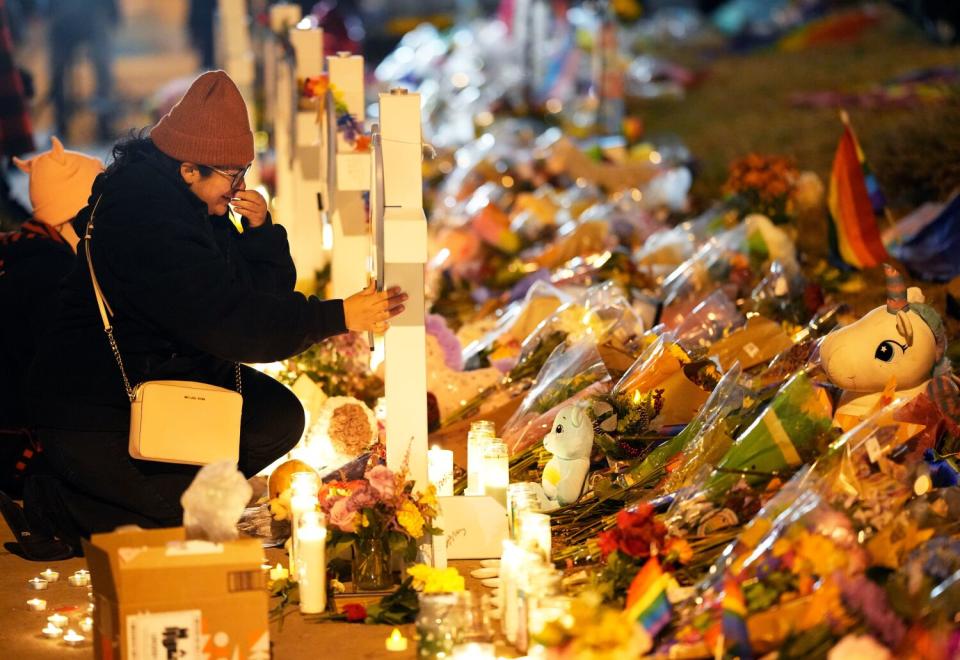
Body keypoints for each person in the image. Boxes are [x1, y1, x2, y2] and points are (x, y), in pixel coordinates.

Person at [2, 70, 406, 561]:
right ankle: (58, 504)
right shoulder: (145, 219)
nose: (239, 186)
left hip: (166, 379)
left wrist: (258, 234)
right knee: (186, 521)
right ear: (189, 169)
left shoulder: (190, 205)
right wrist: (338, 316)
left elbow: (259, 295)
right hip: (95, 405)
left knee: (275, 418)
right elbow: (233, 323)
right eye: (231, 174)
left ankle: (159, 490)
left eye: (243, 172)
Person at [0, 137, 103, 499]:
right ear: (76, 214)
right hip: (23, 454)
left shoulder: (26, 253)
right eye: (99, 208)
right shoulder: (51, 275)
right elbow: (61, 382)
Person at [43, 0, 119, 140]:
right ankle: (61, 125)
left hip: (90, 17)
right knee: (58, 72)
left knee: (103, 68)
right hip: (65, 20)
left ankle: (104, 122)